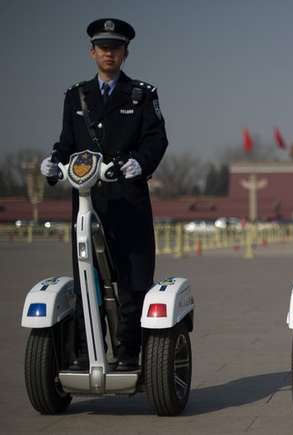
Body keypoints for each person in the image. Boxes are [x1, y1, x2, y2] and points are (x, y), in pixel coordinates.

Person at [40, 18, 168, 371]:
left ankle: (128, 353)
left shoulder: (142, 94)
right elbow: (66, 143)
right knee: (87, 278)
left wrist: (139, 164)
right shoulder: (76, 96)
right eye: (102, 47)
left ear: (125, 52)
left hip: (128, 199)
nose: (108, 53)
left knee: (131, 279)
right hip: (88, 201)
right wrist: (53, 163)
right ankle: (84, 352)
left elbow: (157, 140)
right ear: (92, 52)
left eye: (115, 47)